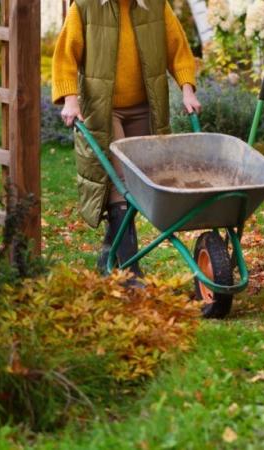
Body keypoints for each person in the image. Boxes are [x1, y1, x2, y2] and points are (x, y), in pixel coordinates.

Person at [52, 0, 201, 279]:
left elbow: (178, 49)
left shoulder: (156, 6)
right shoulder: (85, 7)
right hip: (105, 110)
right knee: (122, 183)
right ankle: (130, 272)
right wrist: (70, 101)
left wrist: (187, 90)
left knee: (138, 182)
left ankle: (110, 252)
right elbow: (66, 56)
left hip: (146, 107)